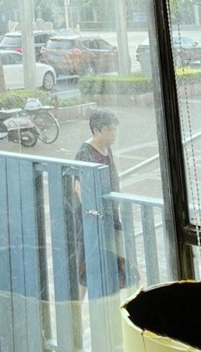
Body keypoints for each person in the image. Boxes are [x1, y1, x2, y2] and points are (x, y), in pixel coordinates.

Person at [72, 109, 126, 297]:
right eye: (109, 130)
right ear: (96, 130)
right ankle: (76, 311)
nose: (114, 134)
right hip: (94, 220)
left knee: (115, 263)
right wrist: (94, 214)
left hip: (110, 216)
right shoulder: (85, 152)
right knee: (88, 266)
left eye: (115, 129)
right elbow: (78, 187)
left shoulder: (106, 147)